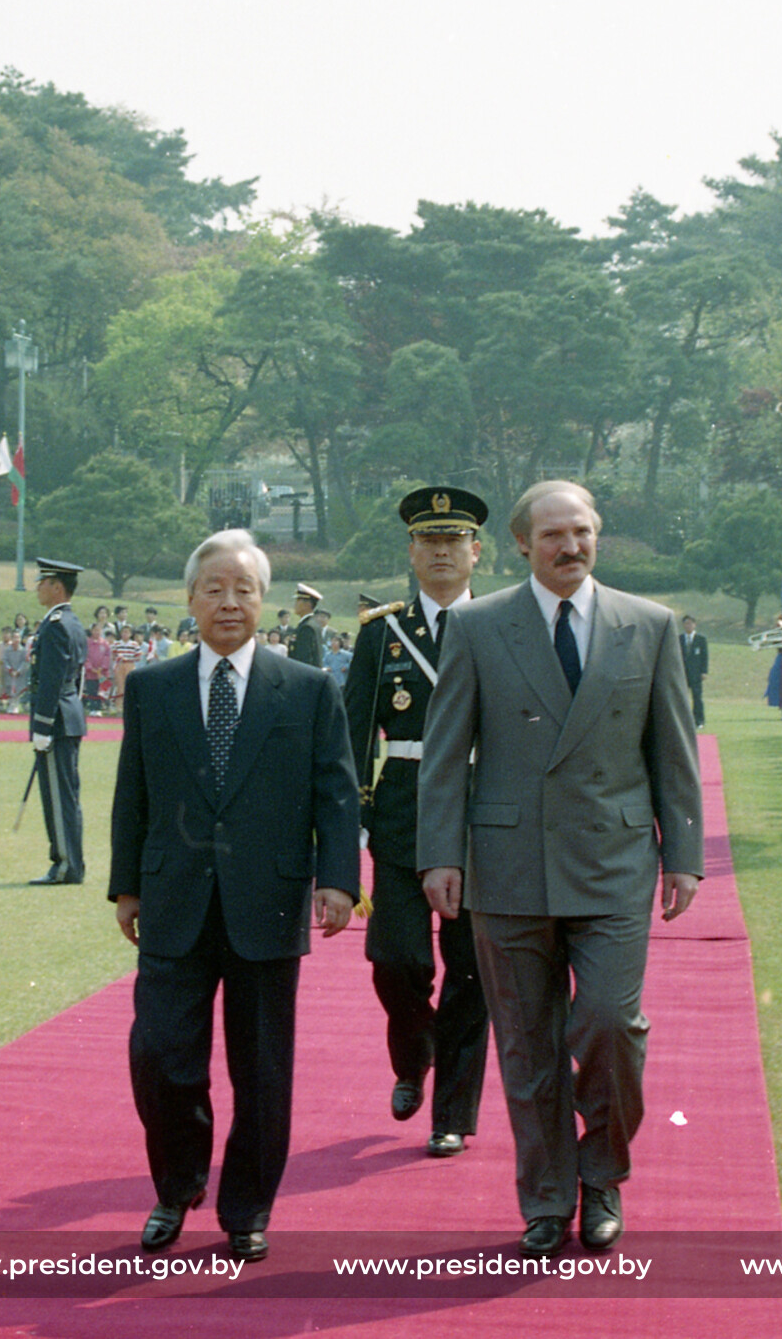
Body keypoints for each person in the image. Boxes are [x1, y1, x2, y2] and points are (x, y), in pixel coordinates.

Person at [417, 479, 703, 1258]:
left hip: (613, 862)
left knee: (611, 1022)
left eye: (582, 532)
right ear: (520, 544)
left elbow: (673, 751)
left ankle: (602, 1173)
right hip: (508, 864)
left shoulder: (648, 626)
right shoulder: (478, 626)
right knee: (526, 1042)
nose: (570, 547)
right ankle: (546, 1199)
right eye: (553, 536)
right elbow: (444, 754)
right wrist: (440, 854)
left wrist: (683, 853)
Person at [110, 528, 361, 1263]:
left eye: (243, 588)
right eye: (213, 588)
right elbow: (135, 792)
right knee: (160, 1054)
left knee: (261, 1069)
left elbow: (336, 794)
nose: (228, 601)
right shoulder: (151, 688)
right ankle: (177, 1182)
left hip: (269, 902)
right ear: (190, 599)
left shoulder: (308, 689)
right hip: (171, 900)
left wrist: (339, 880)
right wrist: (126, 885)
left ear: (264, 601)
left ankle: (247, 1207)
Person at [347, 485, 493, 1159]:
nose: (441, 551)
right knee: (394, 959)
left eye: (453, 540)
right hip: (403, 809)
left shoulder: (500, 625)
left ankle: (453, 1115)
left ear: (476, 552)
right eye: (428, 541)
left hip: (480, 811)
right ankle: (415, 1052)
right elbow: (353, 734)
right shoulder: (383, 632)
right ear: (411, 551)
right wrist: (349, 818)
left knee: (471, 971)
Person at [28, 558, 89, 885]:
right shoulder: (72, 622)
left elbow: (51, 681)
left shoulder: (55, 625)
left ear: (56, 586)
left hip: (56, 722)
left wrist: (41, 726)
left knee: (58, 797)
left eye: (43, 581)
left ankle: (66, 865)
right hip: (68, 716)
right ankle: (69, 863)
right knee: (65, 795)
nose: (38, 587)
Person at [682, 615, 710, 729]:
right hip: (682, 674)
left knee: (697, 697)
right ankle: (683, 720)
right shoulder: (678, 639)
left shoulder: (701, 639)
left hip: (696, 674)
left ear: (694, 625)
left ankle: (699, 721)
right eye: (686, 623)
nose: (688, 625)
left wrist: (704, 671)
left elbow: (705, 656)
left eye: (690, 623)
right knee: (682, 697)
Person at [288, 584, 325, 667]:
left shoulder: (307, 627)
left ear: (307, 604)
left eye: (298, 601)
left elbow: (304, 658)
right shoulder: (312, 624)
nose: (295, 604)